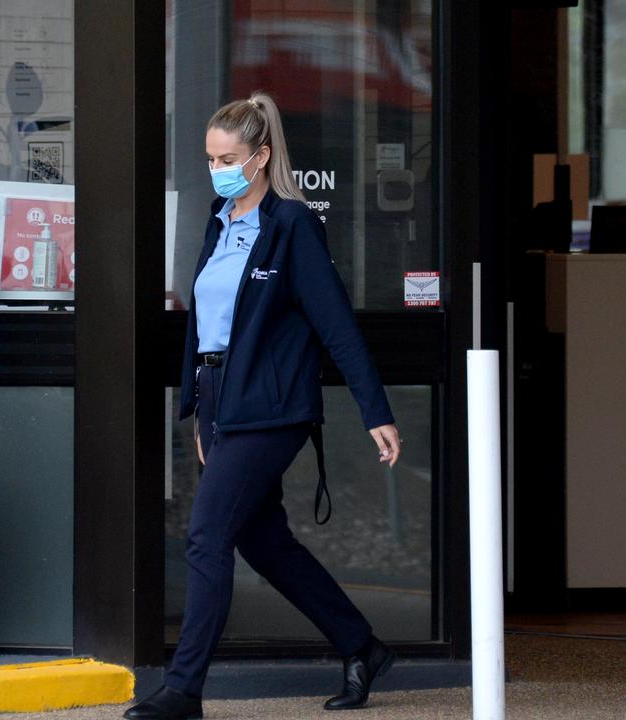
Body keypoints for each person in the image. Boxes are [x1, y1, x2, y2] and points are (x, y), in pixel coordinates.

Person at [124, 92, 403, 720]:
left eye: (227, 158)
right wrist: (198, 404)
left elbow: (336, 325)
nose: (216, 169)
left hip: (272, 406)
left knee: (205, 534)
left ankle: (183, 690)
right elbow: (206, 323)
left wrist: (375, 411)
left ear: (262, 156)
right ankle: (362, 646)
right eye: (210, 158)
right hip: (223, 397)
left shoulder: (293, 226)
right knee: (264, 541)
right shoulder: (219, 221)